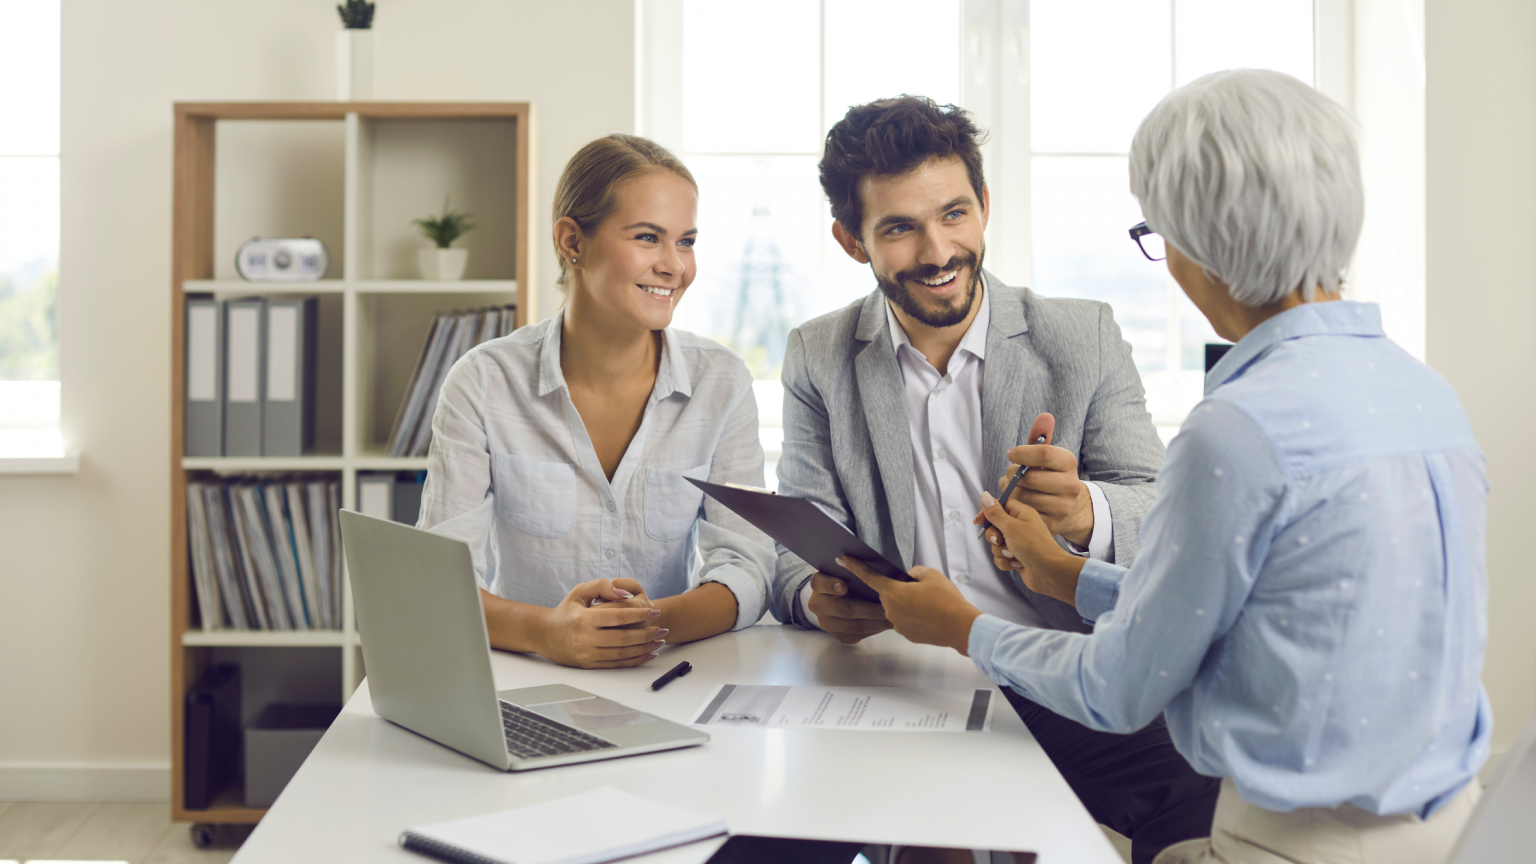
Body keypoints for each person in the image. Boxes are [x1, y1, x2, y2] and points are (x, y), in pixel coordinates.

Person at [842, 70, 1490, 864]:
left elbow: (1118, 687)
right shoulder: (1422, 392)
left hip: (1291, 845)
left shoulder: (1238, 429)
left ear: (1194, 242)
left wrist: (963, 627)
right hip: (1455, 829)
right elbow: (1253, 615)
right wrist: (1068, 576)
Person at [773, 95, 1219, 864]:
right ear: (853, 241)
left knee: (1198, 780)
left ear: (984, 205)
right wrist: (816, 601)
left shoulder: (1080, 335)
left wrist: (1085, 513)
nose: (939, 249)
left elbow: (1157, 512)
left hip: (1060, 670)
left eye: (954, 214)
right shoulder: (819, 355)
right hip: (907, 685)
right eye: (900, 228)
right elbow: (793, 538)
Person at [417, 133, 775, 670]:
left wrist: (639, 626)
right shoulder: (483, 382)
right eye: (648, 237)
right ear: (572, 242)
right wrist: (549, 632)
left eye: (687, 241)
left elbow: (748, 568)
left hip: (666, 674)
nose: (675, 266)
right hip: (526, 675)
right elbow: (440, 582)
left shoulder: (720, 382)